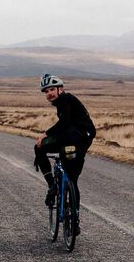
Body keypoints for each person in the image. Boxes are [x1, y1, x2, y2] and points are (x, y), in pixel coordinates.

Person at [34, 74, 96, 233]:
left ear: (61, 89)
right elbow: (66, 125)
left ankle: (53, 187)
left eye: (52, 89)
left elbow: (65, 122)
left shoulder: (65, 100)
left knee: (40, 147)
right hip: (75, 140)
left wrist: (45, 134)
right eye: (46, 91)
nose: (49, 93)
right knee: (72, 179)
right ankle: (73, 218)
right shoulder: (64, 101)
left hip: (77, 140)